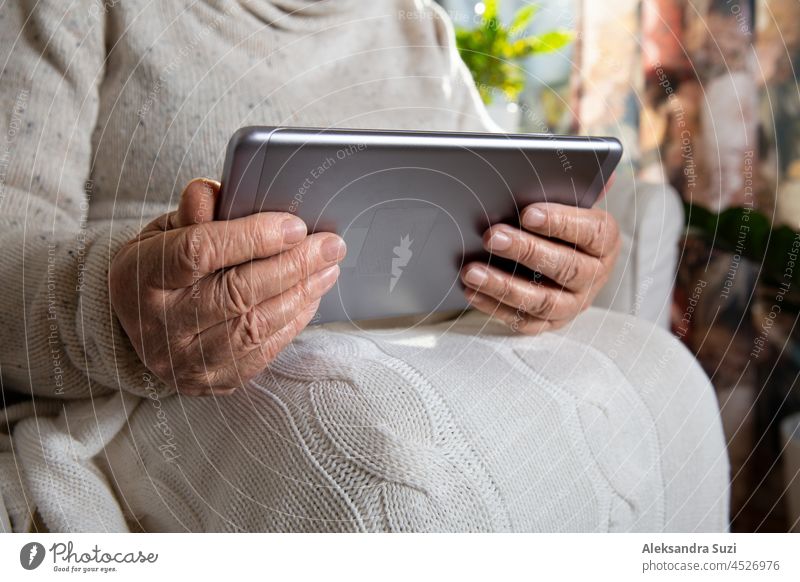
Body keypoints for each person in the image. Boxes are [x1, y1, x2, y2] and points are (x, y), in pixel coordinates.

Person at [0, 0, 728, 532]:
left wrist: (558, 265)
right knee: (386, 466)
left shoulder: (418, 25)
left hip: (427, 349)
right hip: (163, 383)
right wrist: (119, 307)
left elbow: (504, 190)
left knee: (673, 386)